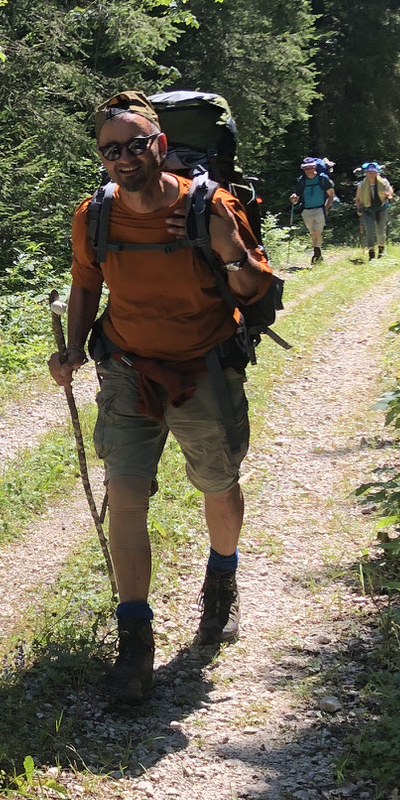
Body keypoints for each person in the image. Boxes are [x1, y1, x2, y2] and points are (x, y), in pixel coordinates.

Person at [50, 93, 277, 703]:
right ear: (101, 158)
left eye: (134, 144)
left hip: (203, 365)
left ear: (160, 144)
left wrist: (228, 245)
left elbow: (254, 288)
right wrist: (74, 347)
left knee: (218, 483)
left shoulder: (211, 205)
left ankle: (221, 581)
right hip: (127, 368)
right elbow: (84, 285)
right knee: (125, 494)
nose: (123, 157)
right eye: (109, 149)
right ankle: (135, 639)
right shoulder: (93, 215)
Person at [289, 158, 335, 265]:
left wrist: (326, 208)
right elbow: (297, 195)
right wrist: (294, 198)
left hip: (320, 208)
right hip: (306, 210)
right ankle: (317, 252)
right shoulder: (302, 180)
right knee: (313, 233)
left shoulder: (323, 179)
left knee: (317, 232)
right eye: (306, 168)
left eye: (310, 167)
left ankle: (317, 254)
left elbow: (331, 195)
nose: (308, 170)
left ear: (314, 167)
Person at [354, 162, 393, 261]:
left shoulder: (384, 182)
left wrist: (388, 195)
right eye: (369, 172)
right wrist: (358, 209)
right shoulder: (362, 184)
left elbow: (390, 191)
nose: (371, 174)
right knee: (369, 231)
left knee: (380, 231)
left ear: (377, 173)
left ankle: (381, 251)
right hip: (367, 209)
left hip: (381, 208)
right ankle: (371, 254)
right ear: (365, 173)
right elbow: (358, 198)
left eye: (373, 172)